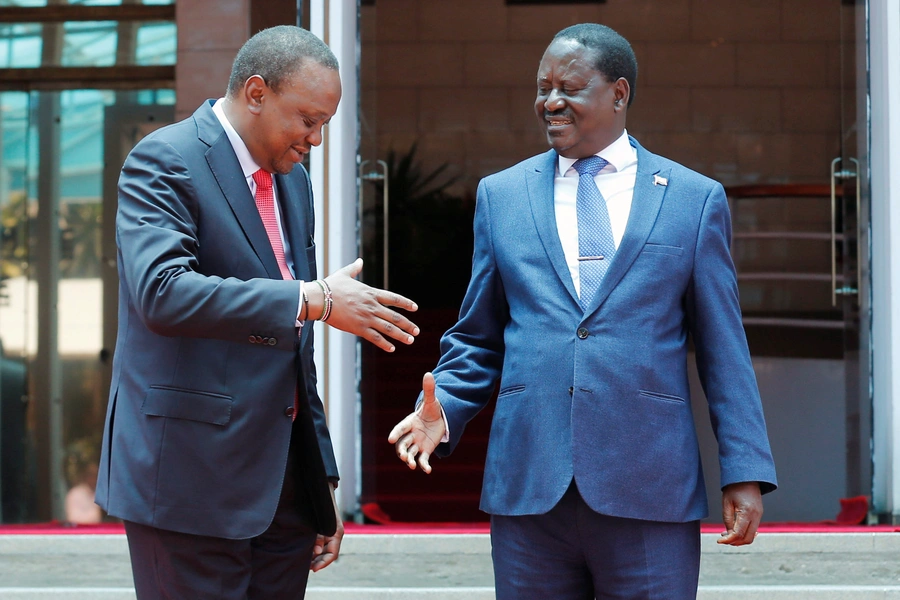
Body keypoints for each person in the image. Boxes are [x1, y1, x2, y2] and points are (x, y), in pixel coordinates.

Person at [389, 23, 777, 599]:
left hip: (648, 485)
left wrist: (744, 469)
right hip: (530, 485)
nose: (550, 101)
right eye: (543, 87)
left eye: (569, 87)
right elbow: (478, 336)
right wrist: (444, 405)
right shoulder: (503, 195)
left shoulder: (694, 200)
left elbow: (724, 347)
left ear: (619, 94)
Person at [95, 25, 419, 599]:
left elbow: (293, 345)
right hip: (187, 482)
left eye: (324, 124)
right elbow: (162, 292)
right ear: (255, 92)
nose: (315, 139)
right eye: (307, 119)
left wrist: (320, 480)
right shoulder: (164, 159)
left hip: (283, 495)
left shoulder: (293, 184)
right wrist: (312, 298)